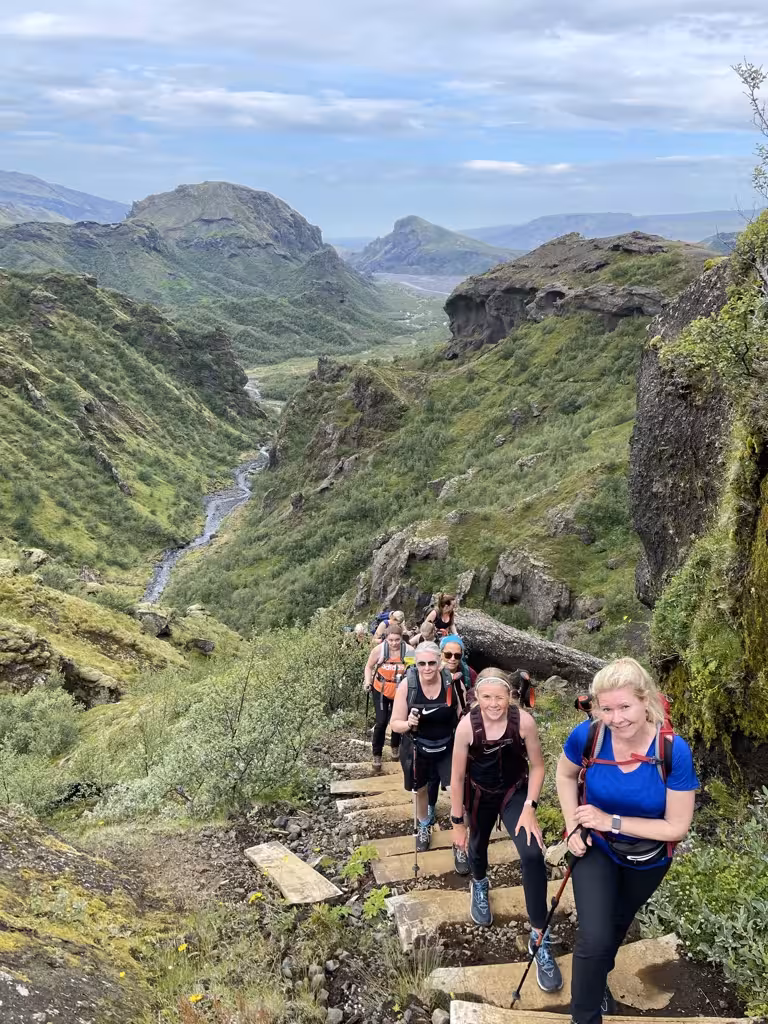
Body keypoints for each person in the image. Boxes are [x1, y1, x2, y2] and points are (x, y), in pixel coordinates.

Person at [556, 658, 698, 1024]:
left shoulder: (672, 751)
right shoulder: (589, 736)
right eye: (606, 708)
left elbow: (676, 827)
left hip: (648, 860)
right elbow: (565, 774)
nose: (616, 718)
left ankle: (596, 979)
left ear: (645, 700)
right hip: (597, 847)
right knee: (594, 937)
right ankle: (584, 1017)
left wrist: (612, 820)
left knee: (617, 926)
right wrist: (574, 823)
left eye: (624, 707)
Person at [450, 668, 563, 992]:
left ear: (510, 696)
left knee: (532, 852)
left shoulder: (523, 722)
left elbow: (538, 765)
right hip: (479, 794)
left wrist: (530, 807)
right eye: (486, 697)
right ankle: (480, 883)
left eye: (499, 696)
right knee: (477, 846)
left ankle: (539, 937)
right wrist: (457, 823)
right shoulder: (466, 727)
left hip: (514, 793)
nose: (493, 703)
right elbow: (456, 779)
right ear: (476, 697)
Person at [390, 641, 467, 872]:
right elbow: (395, 724)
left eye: (431, 663)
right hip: (417, 745)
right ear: (416, 664)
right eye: (421, 663)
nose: (426, 668)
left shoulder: (452, 684)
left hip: (447, 745)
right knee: (421, 789)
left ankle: (460, 840)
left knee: (457, 790)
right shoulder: (408, 686)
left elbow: (463, 715)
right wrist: (408, 724)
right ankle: (424, 824)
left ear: (440, 662)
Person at [364, 622, 415, 772]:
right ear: (386, 639)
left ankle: (395, 747)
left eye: (397, 640)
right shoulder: (379, 650)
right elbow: (368, 666)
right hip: (381, 689)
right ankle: (377, 754)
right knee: (381, 722)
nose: (394, 643)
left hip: (400, 690)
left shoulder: (409, 651)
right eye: (391, 640)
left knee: (397, 720)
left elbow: (412, 670)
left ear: (401, 639)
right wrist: (368, 681)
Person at [440, 634, 476, 698]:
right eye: (448, 655)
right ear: (441, 654)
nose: (452, 659)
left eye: (457, 656)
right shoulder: (431, 670)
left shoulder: (470, 675)